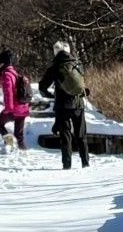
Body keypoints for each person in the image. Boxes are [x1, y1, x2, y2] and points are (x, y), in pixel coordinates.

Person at [38, 41, 90, 170]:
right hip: (78, 104)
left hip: (63, 106)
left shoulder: (55, 67)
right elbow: (80, 84)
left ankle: (67, 165)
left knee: (66, 136)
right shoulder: (77, 64)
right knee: (81, 135)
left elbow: (42, 87)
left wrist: (50, 95)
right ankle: (85, 163)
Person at [0, 49, 31, 152]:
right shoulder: (14, 72)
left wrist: (8, 109)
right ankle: (23, 153)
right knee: (19, 136)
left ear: (3, 63)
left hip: (14, 108)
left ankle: (9, 144)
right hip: (22, 107)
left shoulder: (6, 74)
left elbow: (8, 93)